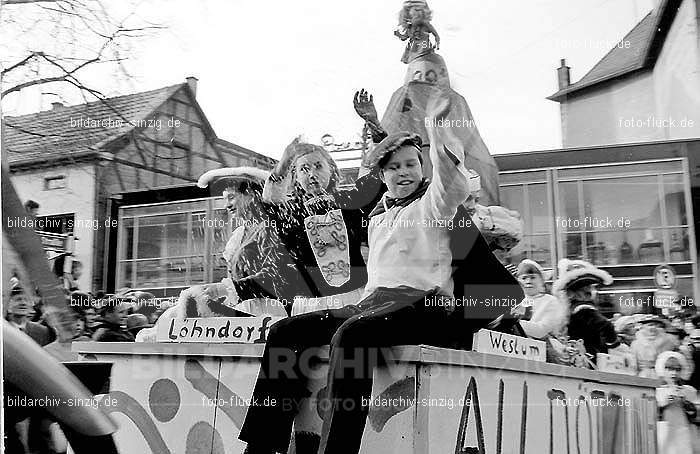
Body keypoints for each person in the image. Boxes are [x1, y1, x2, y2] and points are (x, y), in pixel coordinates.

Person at [239, 92, 523, 454]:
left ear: (422, 168)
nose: (404, 172)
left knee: (354, 335)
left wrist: (436, 130)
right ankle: (262, 446)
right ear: (383, 174)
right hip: (375, 304)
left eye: (411, 164)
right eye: (395, 167)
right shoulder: (377, 214)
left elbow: (451, 182)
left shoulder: (432, 205)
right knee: (285, 332)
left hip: (426, 306)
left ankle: (337, 450)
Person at [261, 132, 384, 315]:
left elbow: (377, 177)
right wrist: (283, 165)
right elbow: (270, 203)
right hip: (310, 305)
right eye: (304, 169)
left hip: (354, 299)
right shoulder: (292, 213)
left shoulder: (349, 202)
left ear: (331, 170)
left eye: (318, 166)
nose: (312, 174)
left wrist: (376, 129)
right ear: (295, 177)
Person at [197, 167, 300, 316]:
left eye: (231, 197)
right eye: (225, 199)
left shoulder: (268, 226)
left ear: (250, 195)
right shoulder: (240, 234)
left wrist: (225, 289)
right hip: (247, 312)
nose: (227, 205)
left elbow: (276, 275)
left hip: (268, 312)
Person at [553, 259, 620, 364]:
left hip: (574, 357)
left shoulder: (568, 310)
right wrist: (614, 345)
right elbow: (606, 325)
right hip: (590, 358)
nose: (589, 291)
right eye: (587, 288)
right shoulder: (585, 309)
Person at [655, 351, 699, 454]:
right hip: (665, 429)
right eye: (669, 369)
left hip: (683, 429)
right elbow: (652, 414)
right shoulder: (658, 391)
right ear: (663, 369)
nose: (673, 373)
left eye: (677, 370)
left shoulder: (688, 390)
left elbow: (694, 415)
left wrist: (686, 404)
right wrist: (664, 403)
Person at [513, 259, 566, 339]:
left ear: (542, 280)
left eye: (533, 277)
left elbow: (541, 331)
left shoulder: (550, 301)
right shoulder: (514, 301)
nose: (528, 281)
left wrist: (511, 322)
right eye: (524, 278)